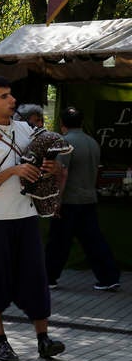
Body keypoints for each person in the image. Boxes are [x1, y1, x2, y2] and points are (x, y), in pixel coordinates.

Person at [0, 76, 65, 361]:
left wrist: (50, 167)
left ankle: (43, 339)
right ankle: (0, 341)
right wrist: (12, 172)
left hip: (27, 215)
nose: (12, 100)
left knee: (36, 279)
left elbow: (50, 164)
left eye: (11, 95)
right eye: (4, 96)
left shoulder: (26, 130)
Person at [46, 106, 120, 292]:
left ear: (62, 123)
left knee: (58, 242)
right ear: (81, 122)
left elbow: (62, 174)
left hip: (70, 200)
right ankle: (109, 277)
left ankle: (48, 277)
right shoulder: (92, 142)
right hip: (89, 198)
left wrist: (56, 201)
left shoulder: (64, 143)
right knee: (94, 240)